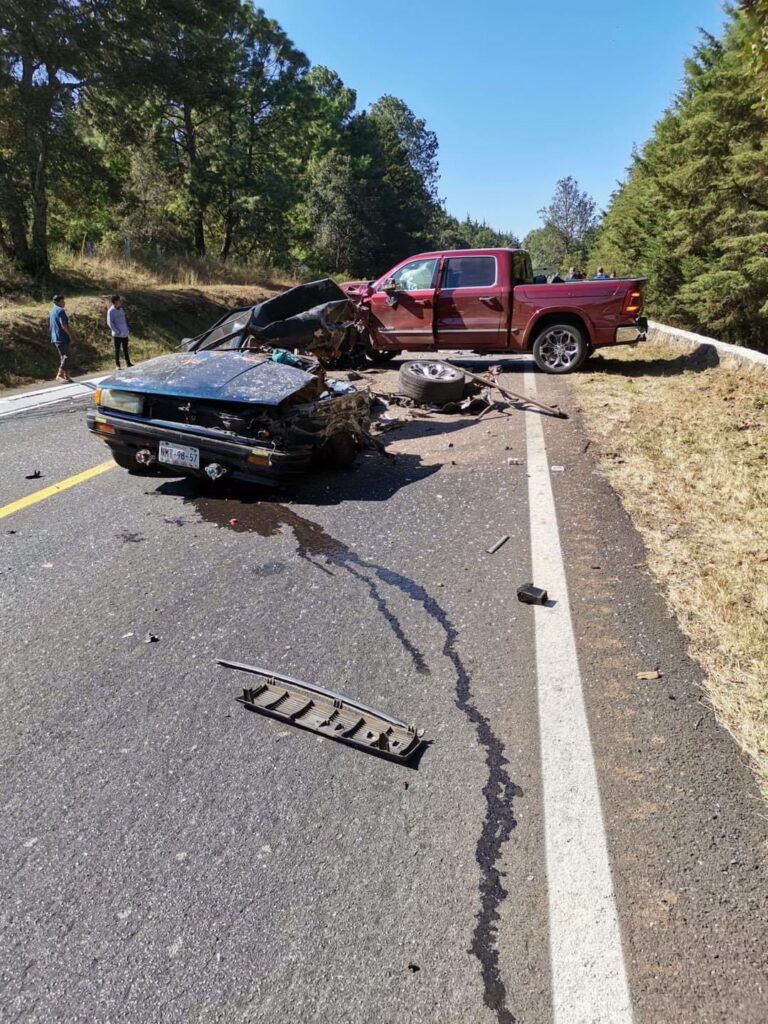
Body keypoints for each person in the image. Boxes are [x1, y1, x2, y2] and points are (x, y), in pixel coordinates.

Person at [49, 294, 73, 382]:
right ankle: (59, 374)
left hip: (55, 337)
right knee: (67, 356)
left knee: (63, 356)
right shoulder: (60, 311)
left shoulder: (52, 311)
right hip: (62, 337)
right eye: (62, 301)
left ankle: (67, 375)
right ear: (58, 302)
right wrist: (70, 335)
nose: (64, 303)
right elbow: (63, 324)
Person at [107, 294, 133, 369]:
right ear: (115, 301)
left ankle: (128, 363)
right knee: (117, 350)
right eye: (119, 300)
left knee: (125, 348)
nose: (120, 302)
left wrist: (127, 329)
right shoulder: (110, 311)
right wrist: (117, 331)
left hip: (124, 333)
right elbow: (110, 323)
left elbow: (124, 320)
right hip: (117, 334)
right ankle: (117, 365)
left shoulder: (121, 309)